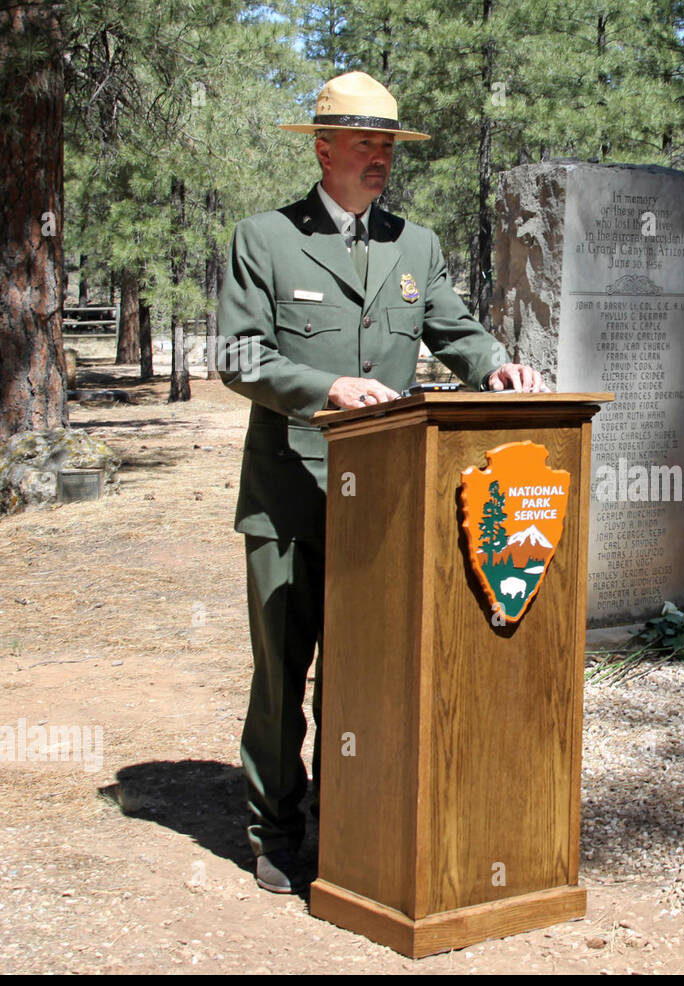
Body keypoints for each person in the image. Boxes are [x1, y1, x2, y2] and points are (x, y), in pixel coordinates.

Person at [216, 70, 546, 893]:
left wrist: (497, 366)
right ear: (322, 149)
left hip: (386, 501)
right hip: (291, 494)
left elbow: (454, 326)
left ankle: (353, 819)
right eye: (366, 143)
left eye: (389, 145)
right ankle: (274, 831)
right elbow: (238, 357)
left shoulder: (414, 244)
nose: (380, 158)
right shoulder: (264, 239)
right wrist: (323, 388)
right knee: (282, 673)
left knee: (369, 672)